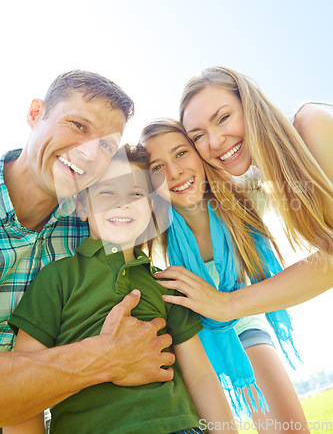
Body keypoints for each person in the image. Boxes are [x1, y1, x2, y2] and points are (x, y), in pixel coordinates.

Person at [5, 145, 233, 434]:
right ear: (83, 207)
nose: (121, 203)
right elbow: (25, 381)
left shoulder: (165, 283)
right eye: (107, 193)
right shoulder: (55, 279)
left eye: (136, 194)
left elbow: (200, 376)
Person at [0, 71, 174, 427]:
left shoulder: (91, 228)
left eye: (107, 145)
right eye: (78, 125)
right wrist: (105, 355)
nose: (90, 153)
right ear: (36, 114)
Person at [141, 120, 309, 433]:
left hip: (242, 317)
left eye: (181, 154)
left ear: (200, 154)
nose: (174, 172)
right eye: (158, 167)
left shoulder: (242, 194)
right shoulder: (153, 222)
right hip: (187, 337)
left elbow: (283, 157)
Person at [154, 66, 332, 321]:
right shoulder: (263, 179)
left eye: (223, 118)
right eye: (199, 136)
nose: (215, 142)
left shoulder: (311, 125)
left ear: (250, 105)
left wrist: (229, 304)